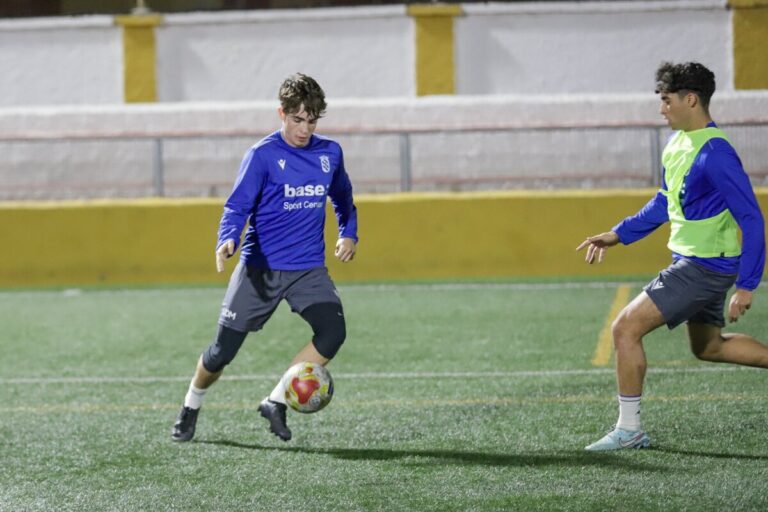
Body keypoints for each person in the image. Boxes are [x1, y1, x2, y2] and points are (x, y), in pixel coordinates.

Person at [576, 61, 768, 451]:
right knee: (710, 347)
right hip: (698, 263)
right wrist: (618, 234)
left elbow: (751, 216)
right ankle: (630, 431)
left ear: (690, 99)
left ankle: (629, 431)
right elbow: (664, 203)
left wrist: (747, 285)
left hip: (704, 267)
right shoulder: (678, 144)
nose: (661, 109)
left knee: (624, 329)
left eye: (666, 101)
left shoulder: (716, 153)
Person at [171, 73, 358, 442]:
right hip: (260, 269)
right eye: (297, 119)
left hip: (307, 268)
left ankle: (275, 401)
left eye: (312, 120)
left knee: (333, 331)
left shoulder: (329, 153)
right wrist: (227, 238)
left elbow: (343, 198)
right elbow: (237, 206)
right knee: (221, 353)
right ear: (282, 114)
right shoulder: (262, 156)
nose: (305, 129)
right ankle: (190, 405)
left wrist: (348, 232)